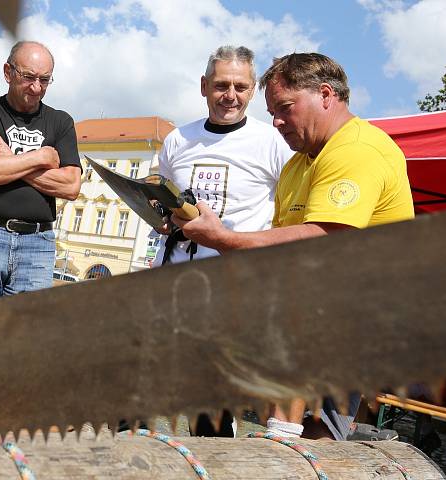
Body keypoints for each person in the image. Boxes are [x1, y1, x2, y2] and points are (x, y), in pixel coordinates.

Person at [170, 52, 415, 439]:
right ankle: (285, 440)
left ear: (325, 95)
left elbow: (325, 237)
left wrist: (224, 240)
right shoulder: (298, 164)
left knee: (317, 432)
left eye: (285, 108)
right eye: (271, 112)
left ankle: (294, 443)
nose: (277, 122)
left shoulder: (356, 150)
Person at [0, 41, 81, 302]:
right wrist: (42, 157)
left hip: (38, 244)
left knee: (25, 336)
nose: (36, 87)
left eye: (45, 80)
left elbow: (70, 186)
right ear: (8, 72)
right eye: (28, 77)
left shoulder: (61, 122)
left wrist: (11, 161)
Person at [154, 45, 293, 266]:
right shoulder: (177, 139)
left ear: (252, 90)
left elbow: (291, 219)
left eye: (240, 87)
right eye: (221, 86)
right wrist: (159, 218)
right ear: (204, 86)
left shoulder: (275, 141)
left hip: (238, 279)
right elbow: (162, 202)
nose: (230, 96)